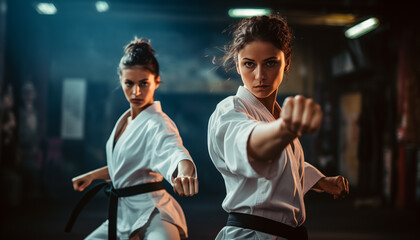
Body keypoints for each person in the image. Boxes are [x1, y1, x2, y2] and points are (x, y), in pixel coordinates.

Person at [207, 15, 349, 240]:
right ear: (237, 64)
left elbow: (289, 165)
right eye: (249, 64)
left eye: (271, 63)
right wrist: (285, 129)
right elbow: (251, 145)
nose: (259, 75)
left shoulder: (278, 115)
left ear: (287, 62)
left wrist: (321, 181)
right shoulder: (231, 110)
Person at [67, 38, 198, 240]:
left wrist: (185, 171)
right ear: (120, 80)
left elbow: (174, 151)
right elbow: (126, 167)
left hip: (153, 212)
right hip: (122, 215)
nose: (136, 92)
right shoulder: (125, 121)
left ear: (157, 81)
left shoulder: (158, 124)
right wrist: (93, 175)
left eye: (144, 83)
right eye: (129, 83)